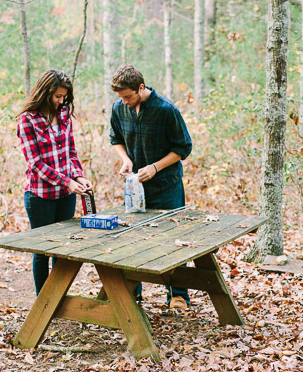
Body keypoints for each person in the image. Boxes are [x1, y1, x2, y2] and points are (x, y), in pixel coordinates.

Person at [109, 64, 193, 309]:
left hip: (167, 186)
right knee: (132, 239)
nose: (124, 102)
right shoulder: (119, 109)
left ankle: (177, 296)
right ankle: (132, 293)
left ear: (141, 88)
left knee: (173, 240)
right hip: (135, 188)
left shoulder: (166, 110)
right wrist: (125, 160)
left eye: (128, 96)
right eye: (120, 97)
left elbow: (183, 148)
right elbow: (115, 139)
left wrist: (156, 167)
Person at [16, 69, 92, 295]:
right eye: (57, 96)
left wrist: (78, 176)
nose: (61, 101)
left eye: (63, 97)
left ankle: (59, 297)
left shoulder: (65, 114)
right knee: (43, 250)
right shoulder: (27, 120)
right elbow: (35, 164)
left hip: (65, 196)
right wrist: (66, 181)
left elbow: (71, 151)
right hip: (40, 196)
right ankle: (44, 301)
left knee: (63, 247)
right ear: (45, 92)